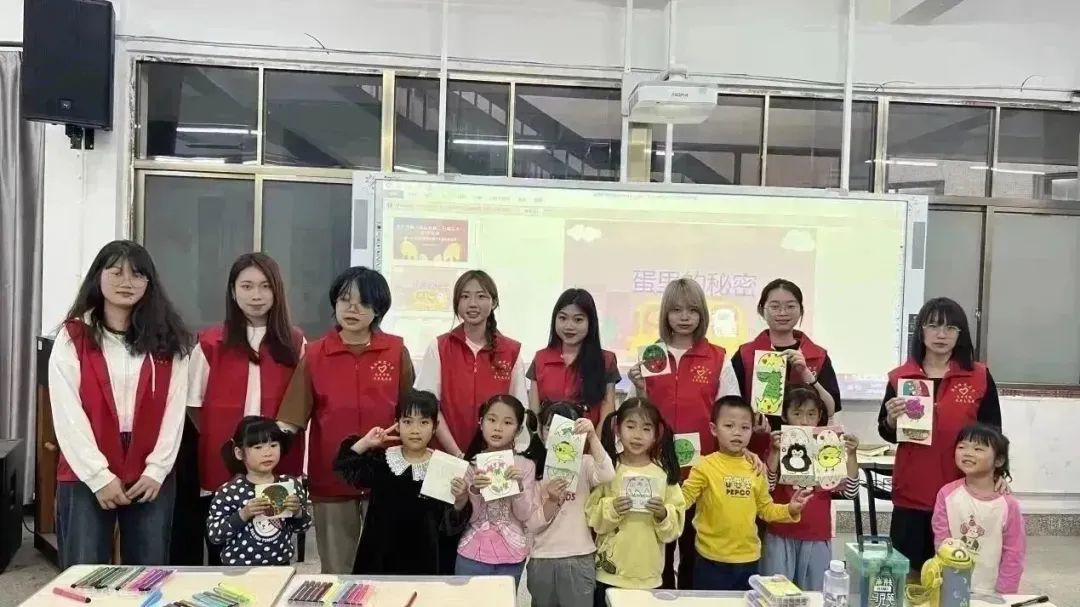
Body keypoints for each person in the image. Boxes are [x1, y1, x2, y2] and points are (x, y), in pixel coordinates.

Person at [49, 240, 193, 568]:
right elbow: (67, 413)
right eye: (116, 272)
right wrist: (98, 475)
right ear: (97, 277)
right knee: (84, 570)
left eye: (137, 275)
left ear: (149, 283)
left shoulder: (169, 340)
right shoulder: (74, 337)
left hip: (149, 469)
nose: (126, 282)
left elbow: (175, 410)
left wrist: (157, 469)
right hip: (86, 463)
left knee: (148, 570)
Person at [277, 266, 415, 574]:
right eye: (344, 300)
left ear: (378, 309)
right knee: (338, 572)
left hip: (386, 476)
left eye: (364, 302)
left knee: (387, 567)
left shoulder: (395, 351)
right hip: (332, 478)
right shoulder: (315, 354)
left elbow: (411, 415)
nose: (352, 309)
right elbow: (291, 419)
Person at [187, 253, 304, 565]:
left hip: (275, 460)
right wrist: (230, 444)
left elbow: (302, 404)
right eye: (247, 286)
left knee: (273, 543)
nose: (256, 295)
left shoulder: (295, 342)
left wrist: (268, 446)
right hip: (224, 461)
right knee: (222, 545)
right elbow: (194, 406)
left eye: (265, 286)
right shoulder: (210, 342)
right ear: (232, 290)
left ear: (277, 291)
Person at [626, 277, 740, 589]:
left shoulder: (718, 357)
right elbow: (637, 415)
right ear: (665, 314)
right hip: (656, 465)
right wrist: (640, 388)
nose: (684, 317)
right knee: (657, 543)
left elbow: (731, 412)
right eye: (676, 310)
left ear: (702, 314)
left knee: (694, 544)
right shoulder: (652, 355)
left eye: (692, 310)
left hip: (703, 469)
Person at [878, 297, 1002, 573]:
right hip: (912, 492)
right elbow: (887, 432)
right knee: (910, 575)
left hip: (963, 493)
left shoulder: (979, 376)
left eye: (950, 328)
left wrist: (998, 475)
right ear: (921, 331)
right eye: (933, 326)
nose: (941, 335)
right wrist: (891, 419)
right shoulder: (901, 377)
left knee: (956, 573)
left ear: (961, 334)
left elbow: (994, 433)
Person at [682, 395, 812, 591]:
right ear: (714, 429)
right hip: (711, 559)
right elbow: (684, 499)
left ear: (752, 430)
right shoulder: (704, 466)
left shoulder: (756, 468)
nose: (737, 432)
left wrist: (790, 509)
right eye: (729, 426)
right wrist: (665, 503)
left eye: (744, 427)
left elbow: (765, 509)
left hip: (749, 560)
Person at [334, 389, 469, 575]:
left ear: (435, 427)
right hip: (380, 560)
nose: (415, 430)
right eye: (407, 422)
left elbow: (450, 526)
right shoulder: (383, 460)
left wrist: (461, 500)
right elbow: (344, 466)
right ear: (397, 424)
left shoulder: (444, 467)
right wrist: (366, 442)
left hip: (427, 562)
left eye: (424, 422)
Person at [417, 270, 528, 458]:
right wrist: (456, 454)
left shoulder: (511, 351)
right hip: (445, 456)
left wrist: (513, 454)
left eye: (481, 296)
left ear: (494, 302)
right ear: (456, 303)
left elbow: (520, 408)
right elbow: (429, 407)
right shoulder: (439, 347)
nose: (473, 303)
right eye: (465, 296)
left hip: (495, 460)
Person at [586, 398, 686, 607]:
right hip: (609, 573)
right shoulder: (608, 469)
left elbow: (675, 527)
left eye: (646, 428)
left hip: (648, 575)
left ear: (656, 434)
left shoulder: (663, 475)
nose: (638, 435)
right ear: (618, 429)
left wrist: (663, 514)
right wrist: (611, 508)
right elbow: (591, 516)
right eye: (630, 426)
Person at [762, 386, 860, 591]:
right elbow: (766, 488)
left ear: (819, 416)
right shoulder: (777, 445)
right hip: (781, 532)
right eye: (797, 414)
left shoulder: (828, 447)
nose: (804, 421)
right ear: (785, 416)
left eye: (811, 414)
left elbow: (850, 492)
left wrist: (851, 455)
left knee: (815, 594)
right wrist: (774, 453)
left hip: (816, 533)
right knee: (776, 593)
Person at [734, 279, 842, 462]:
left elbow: (831, 409)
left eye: (790, 306)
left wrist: (807, 374)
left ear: (801, 310)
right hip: (755, 453)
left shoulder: (818, 355)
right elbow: (732, 405)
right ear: (761, 310)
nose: (782, 313)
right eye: (775, 306)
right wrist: (750, 423)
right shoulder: (745, 354)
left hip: (807, 455)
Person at [527, 401, 616, 607]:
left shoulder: (585, 463)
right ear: (541, 432)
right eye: (549, 427)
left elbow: (607, 474)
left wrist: (592, 437)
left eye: (567, 427)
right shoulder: (535, 469)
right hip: (543, 557)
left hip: (579, 555)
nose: (557, 433)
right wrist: (551, 501)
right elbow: (532, 524)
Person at [453, 395, 543, 588]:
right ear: (481, 423)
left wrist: (518, 488)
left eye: (507, 422)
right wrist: (474, 491)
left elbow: (524, 515)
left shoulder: (525, 466)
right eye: (492, 420)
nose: (498, 428)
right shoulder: (472, 465)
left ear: (519, 430)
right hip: (472, 552)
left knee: (504, 600)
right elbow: (472, 518)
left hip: (511, 555)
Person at [932, 423, 1025, 595]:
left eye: (978, 449)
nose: (967, 453)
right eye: (962, 447)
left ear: (999, 460)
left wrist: (1005, 594)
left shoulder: (1008, 505)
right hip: (951, 586)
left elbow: (1014, 553)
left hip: (991, 591)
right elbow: (941, 542)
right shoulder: (946, 494)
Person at [206, 416, 312, 565]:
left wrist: (297, 512)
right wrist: (244, 514)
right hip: (238, 568)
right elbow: (215, 535)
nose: (268, 453)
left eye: (273, 445)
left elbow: (303, 526)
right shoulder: (229, 491)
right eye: (258, 447)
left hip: (280, 565)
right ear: (239, 453)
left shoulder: (290, 484)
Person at [527, 289, 621, 425]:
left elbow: (607, 409)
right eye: (563, 318)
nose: (569, 326)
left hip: (590, 436)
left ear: (591, 322)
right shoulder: (540, 358)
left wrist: (596, 438)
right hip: (548, 436)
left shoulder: (606, 360)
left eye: (578, 320)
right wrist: (540, 436)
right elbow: (534, 410)